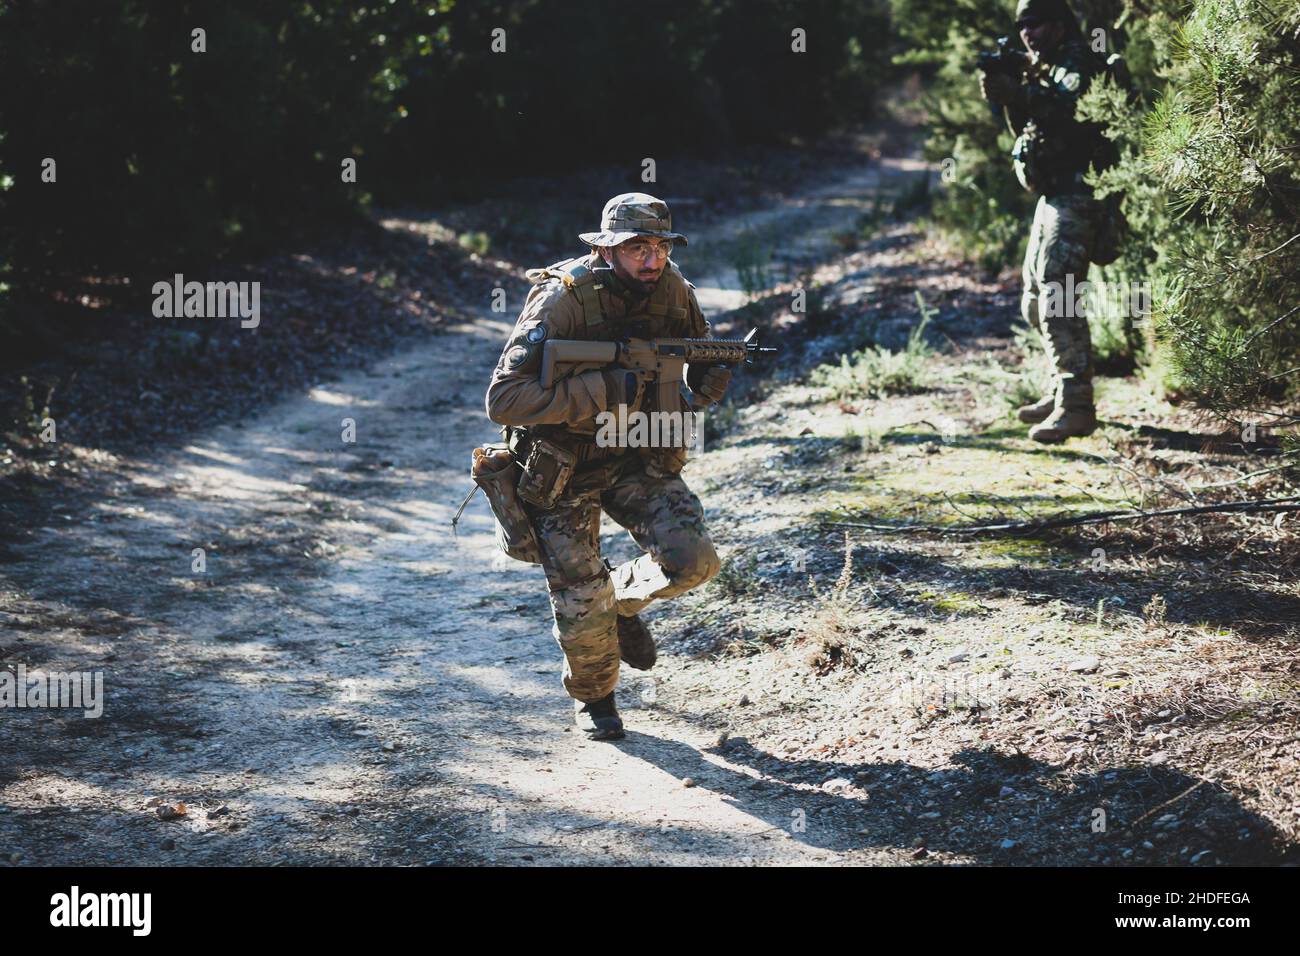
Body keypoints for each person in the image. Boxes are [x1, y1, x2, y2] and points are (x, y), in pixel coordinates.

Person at [485, 193, 730, 740]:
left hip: (638, 450)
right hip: (564, 463)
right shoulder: (563, 300)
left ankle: (618, 603)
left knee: (695, 562)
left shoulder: (674, 291)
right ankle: (596, 700)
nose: (652, 259)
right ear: (607, 249)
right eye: (638, 247)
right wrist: (598, 389)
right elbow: (504, 399)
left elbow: (695, 358)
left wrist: (706, 385)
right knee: (579, 595)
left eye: (661, 246)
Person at [979, 0, 1116, 443]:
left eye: (1035, 23)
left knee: (1059, 293)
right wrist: (1009, 91)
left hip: (1080, 191)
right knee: (1035, 298)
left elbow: (1069, 113)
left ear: (1059, 25)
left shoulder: (1078, 61)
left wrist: (1017, 90)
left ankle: (1077, 406)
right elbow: (1030, 127)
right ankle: (1062, 388)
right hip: (1054, 192)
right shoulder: (1045, 66)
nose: (1027, 33)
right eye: (1022, 26)